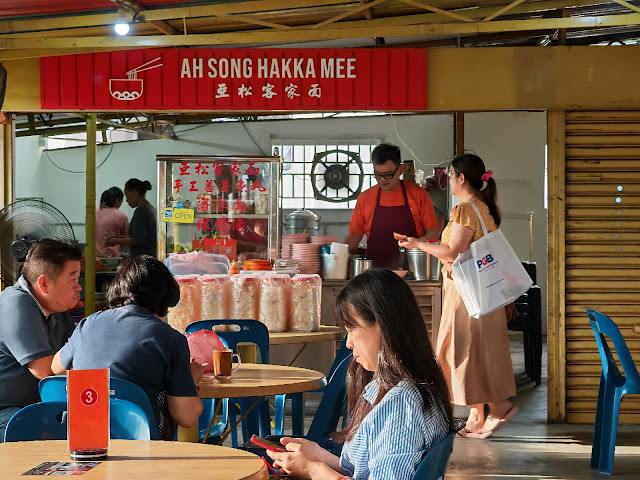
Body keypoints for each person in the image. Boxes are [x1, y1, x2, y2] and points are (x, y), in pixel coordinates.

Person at [267, 268, 453, 480]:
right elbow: (366, 467)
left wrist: (313, 470)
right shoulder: (413, 389)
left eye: (353, 328)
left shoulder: (401, 404)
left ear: (383, 324)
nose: (348, 342)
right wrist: (316, 455)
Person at [395, 153, 519, 438]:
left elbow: (453, 252)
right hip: (480, 289)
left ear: (461, 178)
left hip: (466, 292)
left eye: (450, 175)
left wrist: (417, 244)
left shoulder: (464, 210)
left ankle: (498, 406)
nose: (448, 180)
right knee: (474, 350)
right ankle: (477, 415)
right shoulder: (483, 207)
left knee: (459, 349)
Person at [52, 255, 203, 440]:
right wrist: (191, 382)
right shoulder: (170, 338)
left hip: (85, 444)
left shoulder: (88, 324)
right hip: (145, 451)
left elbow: (55, 368)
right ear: (165, 301)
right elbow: (186, 418)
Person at [0, 239, 82, 440]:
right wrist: (88, 334)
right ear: (44, 283)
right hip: (7, 412)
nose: (79, 288)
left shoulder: (56, 309)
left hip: (37, 408)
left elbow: (75, 359)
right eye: (72, 280)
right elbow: (45, 372)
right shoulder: (15, 304)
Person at [344, 143, 440, 269]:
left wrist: (416, 245)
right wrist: (335, 256)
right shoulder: (365, 198)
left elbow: (432, 234)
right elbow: (354, 235)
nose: (383, 179)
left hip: (412, 271)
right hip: (375, 273)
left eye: (388, 174)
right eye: (378, 174)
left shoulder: (418, 195)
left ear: (400, 170)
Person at [105, 178, 157, 258]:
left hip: (142, 260)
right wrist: (120, 237)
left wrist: (116, 241)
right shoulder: (150, 208)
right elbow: (141, 236)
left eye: (127, 195)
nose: (126, 200)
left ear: (134, 192)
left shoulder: (141, 211)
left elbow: (139, 240)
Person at [96, 186, 129, 257]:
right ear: (117, 200)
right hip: (111, 258)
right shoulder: (121, 216)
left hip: (93, 258)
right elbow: (125, 239)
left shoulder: (94, 212)